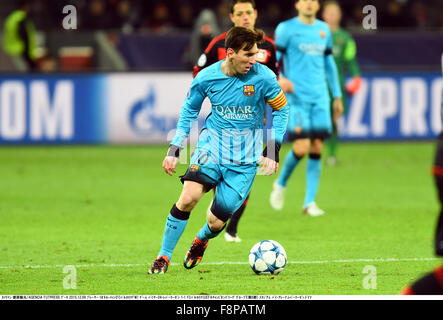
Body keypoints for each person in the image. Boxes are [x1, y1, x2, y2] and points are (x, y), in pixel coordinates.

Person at [148, 26, 289, 275]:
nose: (253, 59)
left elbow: (282, 110)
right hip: (212, 145)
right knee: (189, 197)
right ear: (230, 53)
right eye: (248, 55)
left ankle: (201, 240)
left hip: (246, 158)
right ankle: (163, 256)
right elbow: (189, 110)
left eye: (256, 53)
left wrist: (273, 148)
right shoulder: (206, 77)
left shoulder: (264, 77)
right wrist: (175, 148)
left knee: (215, 222)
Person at [193, 0, 279, 243]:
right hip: (224, 122)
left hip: (252, 125)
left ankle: (231, 227)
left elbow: (274, 81)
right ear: (231, 16)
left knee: (246, 174)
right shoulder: (218, 45)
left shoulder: (269, 47)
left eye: (248, 13)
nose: (244, 17)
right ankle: (217, 209)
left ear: (255, 14)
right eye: (239, 13)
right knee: (213, 169)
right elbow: (199, 75)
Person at [269, 0, 343, 216]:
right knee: (301, 147)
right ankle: (281, 183)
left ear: (317, 5)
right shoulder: (286, 29)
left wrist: (336, 96)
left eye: (313, 0)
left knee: (317, 146)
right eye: (305, 0)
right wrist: (279, 79)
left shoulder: (323, 30)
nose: (309, 4)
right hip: (296, 97)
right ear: (297, 4)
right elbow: (275, 60)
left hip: (320, 97)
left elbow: (329, 64)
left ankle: (309, 202)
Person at [321, 1, 362, 166]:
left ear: (339, 15)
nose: (331, 16)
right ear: (323, 15)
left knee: (333, 119)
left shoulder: (345, 39)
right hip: (316, 86)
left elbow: (351, 61)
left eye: (334, 13)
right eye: (329, 12)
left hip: (336, 87)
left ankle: (331, 154)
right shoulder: (315, 35)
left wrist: (356, 77)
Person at [2, 0, 38, 71]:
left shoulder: (11, 18)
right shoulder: (21, 18)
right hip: (20, 51)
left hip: (10, 50)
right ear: (25, 7)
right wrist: (27, 55)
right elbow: (24, 36)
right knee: (22, 74)